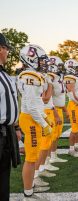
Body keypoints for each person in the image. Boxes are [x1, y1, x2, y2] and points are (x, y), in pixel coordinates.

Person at [18, 44, 53, 200]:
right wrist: (44, 124)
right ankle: (28, 192)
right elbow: (32, 107)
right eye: (41, 60)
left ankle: (31, 183)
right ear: (30, 58)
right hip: (30, 118)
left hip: (34, 116)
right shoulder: (30, 76)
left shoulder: (33, 74)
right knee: (31, 157)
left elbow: (36, 103)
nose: (44, 63)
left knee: (35, 153)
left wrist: (44, 118)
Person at [0, 33, 21, 201]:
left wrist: (16, 127)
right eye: (6, 48)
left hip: (7, 132)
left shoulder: (5, 75)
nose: (8, 53)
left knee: (3, 179)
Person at [48, 56, 68, 163]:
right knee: (52, 135)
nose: (61, 68)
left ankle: (53, 155)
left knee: (57, 135)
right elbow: (49, 98)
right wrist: (55, 113)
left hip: (59, 109)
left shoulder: (58, 77)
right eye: (59, 66)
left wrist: (64, 109)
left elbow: (60, 96)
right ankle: (48, 159)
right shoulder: (50, 78)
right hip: (53, 110)